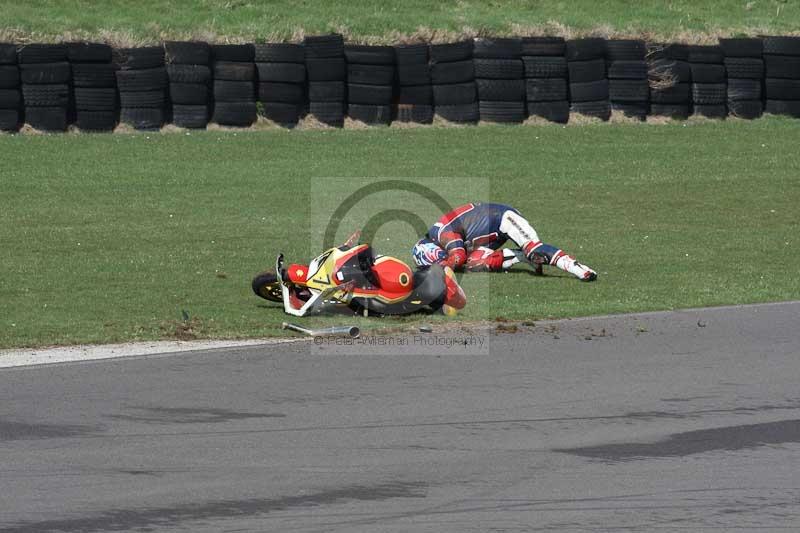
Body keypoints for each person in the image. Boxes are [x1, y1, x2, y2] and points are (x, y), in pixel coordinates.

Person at [412, 202, 597, 281]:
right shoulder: (438, 236)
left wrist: (438, 270)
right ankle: (521, 258)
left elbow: (457, 257)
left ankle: (578, 269)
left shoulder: (444, 233)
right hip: (488, 234)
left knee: (535, 250)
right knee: (475, 264)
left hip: (504, 218)